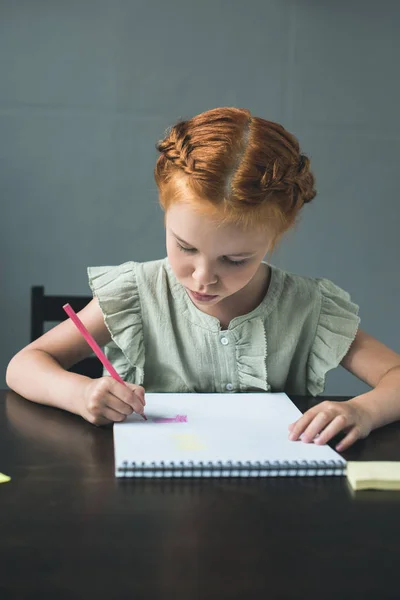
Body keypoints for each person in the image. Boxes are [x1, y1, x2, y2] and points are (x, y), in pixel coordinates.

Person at [6, 107, 400, 451]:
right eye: (185, 247)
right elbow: (24, 365)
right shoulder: (137, 294)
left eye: (235, 259)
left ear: (276, 237)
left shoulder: (308, 307)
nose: (203, 277)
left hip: (273, 505)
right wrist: (82, 392)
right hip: (148, 503)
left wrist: (363, 410)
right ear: (165, 213)